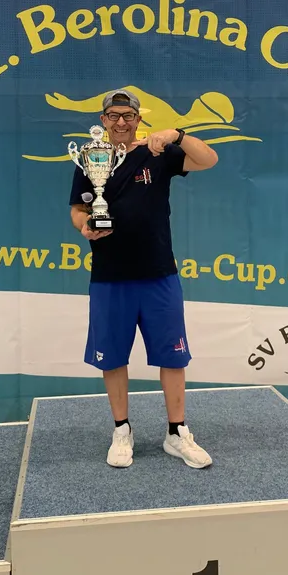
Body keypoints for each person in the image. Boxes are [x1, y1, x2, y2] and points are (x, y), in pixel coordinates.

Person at [69, 88, 218, 469]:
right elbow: (78, 208)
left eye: (128, 115)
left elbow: (209, 159)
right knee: (113, 357)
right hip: (110, 277)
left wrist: (177, 135)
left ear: (138, 119)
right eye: (114, 115)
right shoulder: (90, 158)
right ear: (103, 120)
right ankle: (122, 430)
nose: (121, 122)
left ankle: (177, 432)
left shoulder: (158, 153)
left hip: (159, 275)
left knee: (173, 355)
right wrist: (85, 225)